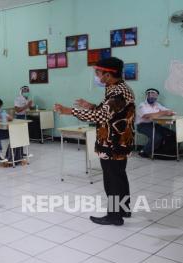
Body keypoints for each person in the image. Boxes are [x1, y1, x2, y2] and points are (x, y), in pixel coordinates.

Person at [54, 57, 135, 226]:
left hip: (113, 142)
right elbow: (108, 112)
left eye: (98, 72)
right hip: (117, 141)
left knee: (112, 179)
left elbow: (102, 115)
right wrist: (90, 106)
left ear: (108, 74)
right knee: (119, 175)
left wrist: (71, 111)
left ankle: (114, 216)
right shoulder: (116, 87)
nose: (97, 76)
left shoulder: (118, 92)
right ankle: (124, 209)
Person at [136, 88, 175, 158]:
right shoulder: (142, 105)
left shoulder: (157, 104)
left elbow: (169, 111)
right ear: (147, 95)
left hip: (154, 124)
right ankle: (143, 152)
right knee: (157, 137)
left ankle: (161, 151)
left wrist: (164, 112)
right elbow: (146, 116)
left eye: (154, 95)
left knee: (171, 134)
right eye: (150, 95)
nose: (152, 97)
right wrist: (162, 113)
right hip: (143, 125)